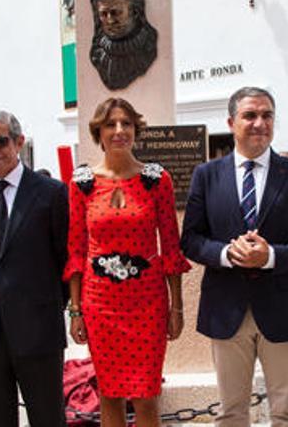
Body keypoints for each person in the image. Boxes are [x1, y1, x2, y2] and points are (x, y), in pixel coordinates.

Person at [181, 87, 288, 427]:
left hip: (281, 307)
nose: (260, 123)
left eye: (267, 115)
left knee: (287, 413)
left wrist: (272, 256)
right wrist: (227, 253)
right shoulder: (207, 175)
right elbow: (191, 240)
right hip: (226, 310)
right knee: (231, 413)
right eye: (250, 115)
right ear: (232, 122)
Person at [66, 97, 189, 427]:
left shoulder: (156, 179)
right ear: (99, 132)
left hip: (147, 304)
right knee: (109, 395)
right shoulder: (82, 184)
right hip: (100, 305)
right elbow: (76, 251)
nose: (119, 130)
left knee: (147, 395)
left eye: (126, 124)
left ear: (136, 130)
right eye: (110, 124)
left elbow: (171, 249)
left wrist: (176, 307)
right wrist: (75, 311)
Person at [0, 110, 70, 427]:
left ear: (18, 142)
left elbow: (64, 259)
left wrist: (45, 305)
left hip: (38, 332)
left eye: (0, 141)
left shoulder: (52, 193)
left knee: (48, 419)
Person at [89, 0, 158, 90]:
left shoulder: (147, 46)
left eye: (115, 12)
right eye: (103, 14)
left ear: (134, 12)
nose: (110, 20)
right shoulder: (98, 54)